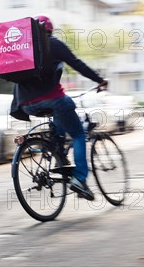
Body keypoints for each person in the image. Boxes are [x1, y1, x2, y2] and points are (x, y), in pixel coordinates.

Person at [10, 15, 108, 200]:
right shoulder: (53, 44)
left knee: (60, 118)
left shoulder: (23, 48)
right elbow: (77, 64)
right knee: (78, 133)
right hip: (52, 99)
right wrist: (99, 80)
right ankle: (79, 179)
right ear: (49, 31)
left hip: (25, 104)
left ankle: (58, 152)